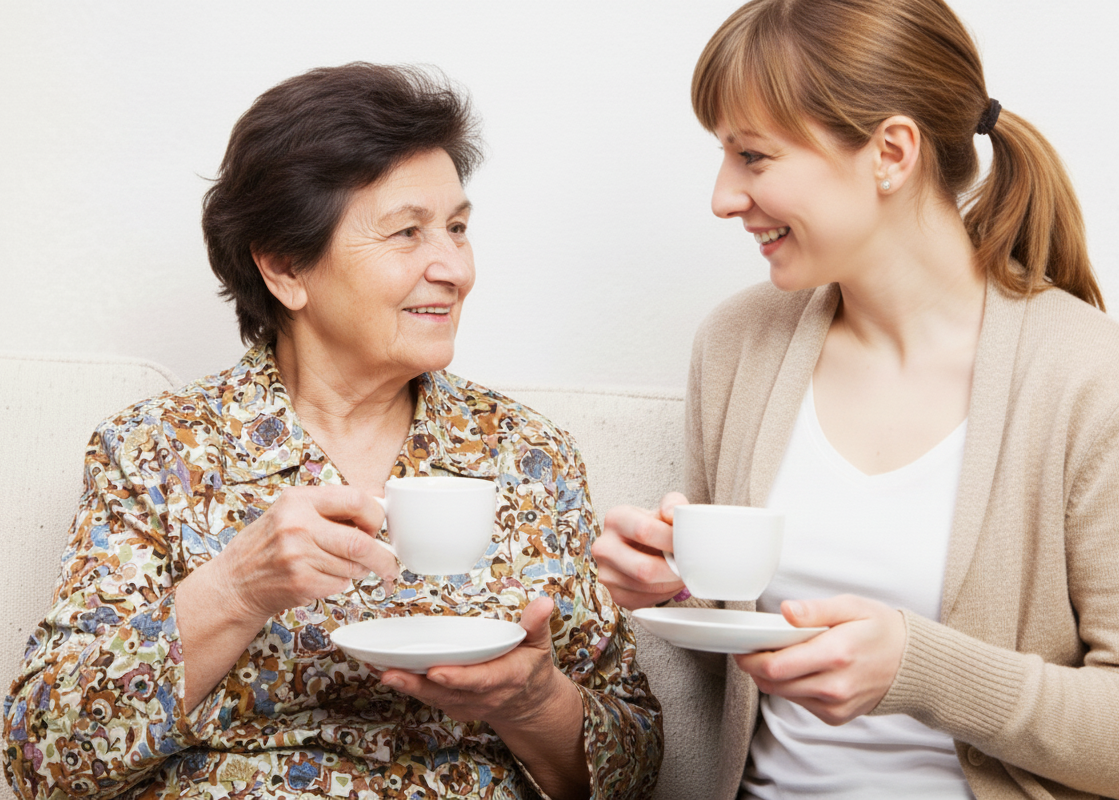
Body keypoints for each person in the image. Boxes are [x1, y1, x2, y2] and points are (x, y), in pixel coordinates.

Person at [2, 63, 661, 800]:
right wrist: (235, 590)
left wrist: (533, 703)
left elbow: (636, 768)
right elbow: (39, 762)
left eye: (457, 228)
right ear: (287, 267)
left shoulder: (528, 453)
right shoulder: (158, 450)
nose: (455, 268)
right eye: (407, 232)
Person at [591, 1, 1119, 798]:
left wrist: (920, 669)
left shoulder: (1091, 378)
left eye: (752, 156)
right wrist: (674, 584)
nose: (722, 197)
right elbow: (740, 642)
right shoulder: (738, 345)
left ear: (890, 152)